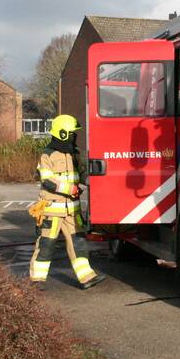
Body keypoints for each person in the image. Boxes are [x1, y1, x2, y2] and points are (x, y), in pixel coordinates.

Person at [28, 114, 104, 289]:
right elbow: (47, 180)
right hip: (52, 210)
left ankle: (86, 277)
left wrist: (95, 182)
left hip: (72, 211)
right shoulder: (47, 155)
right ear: (63, 134)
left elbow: (82, 174)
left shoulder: (74, 153)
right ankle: (36, 280)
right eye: (72, 133)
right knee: (46, 244)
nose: (75, 137)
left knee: (78, 243)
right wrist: (71, 189)